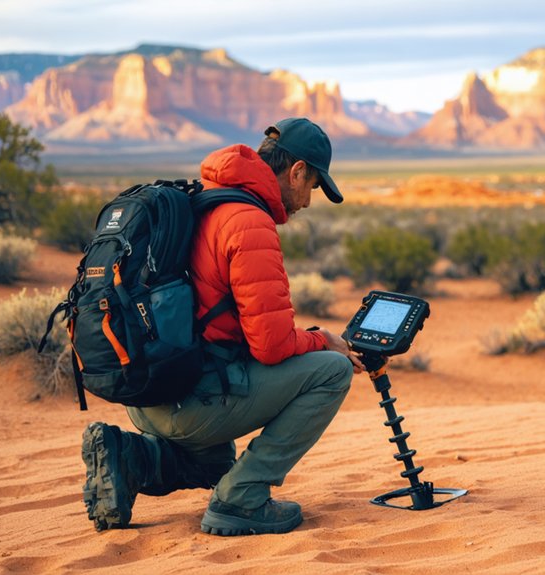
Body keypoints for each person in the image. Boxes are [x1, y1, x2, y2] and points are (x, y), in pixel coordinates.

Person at [80, 117, 363, 536]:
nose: (307, 201)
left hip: (147, 395)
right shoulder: (249, 221)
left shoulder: (204, 198)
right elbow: (271, 346)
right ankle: (241, 500)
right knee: (332, 371)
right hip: (189, 405)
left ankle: (131, 456)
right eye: (313, 186)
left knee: (216, 463)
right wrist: (324, 341)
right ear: (297, 171)